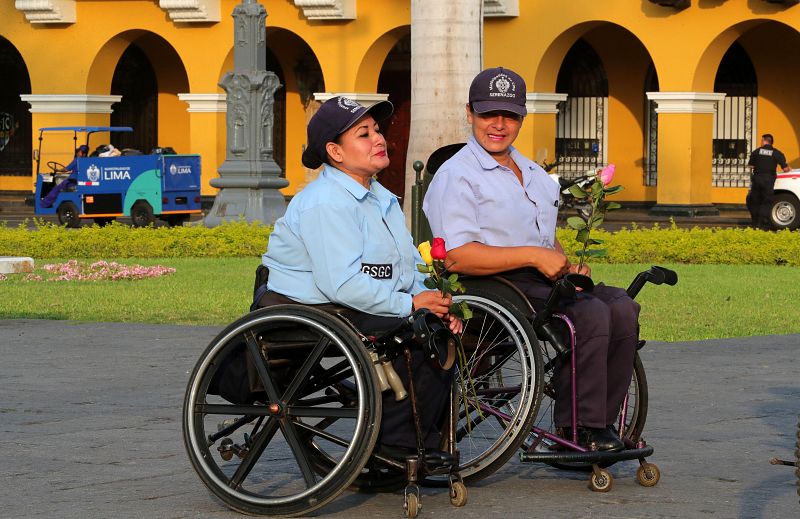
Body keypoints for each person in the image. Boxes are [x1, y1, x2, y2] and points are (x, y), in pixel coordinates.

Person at [423, 67, 639, 452]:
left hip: (538, 281)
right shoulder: (457, 175)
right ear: (470, 113)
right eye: (488, 114)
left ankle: (601, 422)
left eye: (509, 116)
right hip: (489, 284)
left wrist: (565, 264)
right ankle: (580, 428)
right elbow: (456, 256)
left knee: (622, 306)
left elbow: (544, 236)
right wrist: (535, 256)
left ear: (522, 118)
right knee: (589, 313)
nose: (499, 125)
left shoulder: (534, 174)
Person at [261, 96, 461, 458]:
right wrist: (409, 305)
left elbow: (405, 266)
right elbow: (341, 283)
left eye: (377, 130)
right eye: (364, 134)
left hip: (353, 304)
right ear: (335, 152)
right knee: (418, 334)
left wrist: (432, 300)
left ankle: (414, 438)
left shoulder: (380, 197)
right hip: (314, 308)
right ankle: (395, 445)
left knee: (438, 326)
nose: (379, 139)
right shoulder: (326, 201)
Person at [747, 133, 791, 229]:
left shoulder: (756, 152)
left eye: (761, 140)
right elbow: (785, 169)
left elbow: (751, 166)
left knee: (755, 201)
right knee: (766, 202)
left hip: (757, 179)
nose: (760, 142)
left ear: (764, 141)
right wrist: (789, 168)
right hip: (768, 180)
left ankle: (754, 224)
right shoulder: (777, 153)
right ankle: (762, 224)